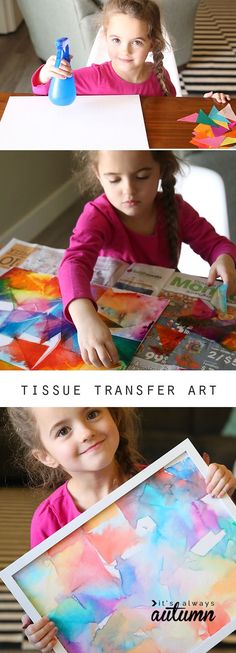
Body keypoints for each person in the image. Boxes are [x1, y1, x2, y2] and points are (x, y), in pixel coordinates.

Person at [7, 406, 236, 653]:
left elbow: (210, 540)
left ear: (112, 416)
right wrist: (39, 627)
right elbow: (48, 601)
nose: (85, 432)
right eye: (63, 431)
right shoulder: (49, 519)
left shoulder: (164, 483)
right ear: (45, 456)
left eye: (92, 414)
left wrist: (218, 486)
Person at [58, 150, 236, 368]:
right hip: (116, 312)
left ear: (161, 169)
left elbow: (215, 243)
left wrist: (223, 257)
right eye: (114, 179)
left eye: (142, 176)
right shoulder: (97, 215)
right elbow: (74, 262)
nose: (128, 190)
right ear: (98, 174)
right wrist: (84, 317)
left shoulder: (177, 209)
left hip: (164, 314)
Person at [31, 0, 229, 103]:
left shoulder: (160, 76)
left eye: (136, 42)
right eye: (116, 40)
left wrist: (205, 107)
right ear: (105, 37)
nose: (124, 50)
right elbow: (44, 94)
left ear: (152, 44)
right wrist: (46, 74)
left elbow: (172, 114)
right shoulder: (93, 77)